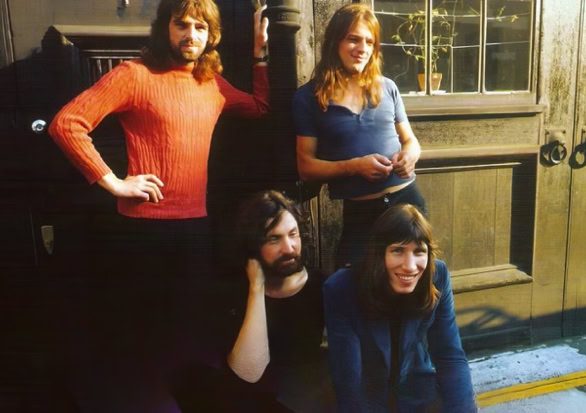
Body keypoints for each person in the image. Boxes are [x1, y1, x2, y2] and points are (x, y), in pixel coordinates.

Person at [46, 0, 269, 411]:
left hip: (196, 229)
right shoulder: (134, 75)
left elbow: (259, 107)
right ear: (166, 27)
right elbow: (67, 124)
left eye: (200, 26)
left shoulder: (213, 84)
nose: (191, 34)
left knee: (186, 336)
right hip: (142, 233)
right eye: (181, 24)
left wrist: (260, 52)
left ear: (211, 35)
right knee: (139, 341)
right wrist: (114, 182)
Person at [293, 3, 425, 267]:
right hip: (360, 213)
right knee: (352, 283)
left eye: (369, 41)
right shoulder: (308, 97)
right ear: (335, 42)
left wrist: (410, 155)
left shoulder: (388, 87)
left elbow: (411, 141)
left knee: (412, 280)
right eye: (353, 39)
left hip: (407, 202)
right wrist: (355, 166)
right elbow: (305, 167)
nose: (362, 48)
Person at [177, 190, 323, 412]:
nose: (289, 248)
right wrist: (256, 288)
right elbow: (248, 373)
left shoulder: (322, 287)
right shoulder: (232, 294)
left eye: (293, 234)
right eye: (274, 238)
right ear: (253, 245)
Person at [323, 204, 477, 413]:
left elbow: (450, 356)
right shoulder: (341, 287)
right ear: (380, 253)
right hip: (366, 397)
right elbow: (348, 380)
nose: (410, 266)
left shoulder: (437, 275)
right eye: (397, 251)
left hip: (416, 389)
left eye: (419, 252)